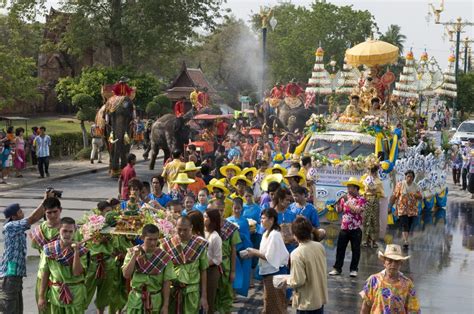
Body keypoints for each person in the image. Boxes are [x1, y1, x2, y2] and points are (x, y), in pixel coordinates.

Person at [0, 193, 51, 313]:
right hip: (9, 277)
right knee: (10, 310)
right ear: (14, 216)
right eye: (20, 212)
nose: (23, 213)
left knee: (17, 310)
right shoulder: (10, 226)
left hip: (15, 277)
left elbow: (34, 218)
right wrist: (45, 201)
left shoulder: (17, 228)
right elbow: (32, 219)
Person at [37, 217, 89, 313]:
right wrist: (41, 297)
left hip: (76, 294)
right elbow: (45, 273)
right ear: (58, 230)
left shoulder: (82, 250)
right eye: (64, 231)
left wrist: (76, 252)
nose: (67, 234)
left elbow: (77, 272)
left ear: (75, 232)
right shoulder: (48, 249)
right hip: (56, 294)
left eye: (70, 231)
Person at [122, 224, 175, 314]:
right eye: (149, 239)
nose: (153, 243)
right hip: (136, 300)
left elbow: (167, 283)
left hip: (155, 301)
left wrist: (165, 306)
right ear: (142, 237)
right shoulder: (132, 252)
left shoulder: (164, 256)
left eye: (155, 239)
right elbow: (126, 275)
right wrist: (134, 256)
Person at [161, 216, 209, 313]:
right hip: (172, 291)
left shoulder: (199, 244)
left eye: (185, 230)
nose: (182, 233)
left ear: (191, 227)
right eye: (179, 229)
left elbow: (203, 271)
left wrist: (204, 296)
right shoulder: (167, 244)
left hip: (192, 291)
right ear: (175, 227)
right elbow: (162, 272)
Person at [246, 208, 289, 314]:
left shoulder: (274, 234)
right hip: (269, 273)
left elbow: (269, 256)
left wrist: (253, 252)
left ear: (271, 220)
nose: (261, 220)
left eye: (263, 218)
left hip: (276, 273)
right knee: (269, 302)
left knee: (276, 305)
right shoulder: (267, 233)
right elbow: (264, 252)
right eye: (261, 218)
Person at [360, 244, 420, 314]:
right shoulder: (374, 280)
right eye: (390, 260)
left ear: (401, 263)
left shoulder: (407, 283)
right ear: (384, 262)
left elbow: (413, 310)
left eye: (396, 261)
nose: (393, 264)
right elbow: (366, 306)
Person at [286, 217, 328, 314]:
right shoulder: (319, 246)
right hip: (319, 298)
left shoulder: (297, 253)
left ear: (295, 235)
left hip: (306, 302)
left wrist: (286, 280)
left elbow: (298, 281)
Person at [30, 197, 63, 314]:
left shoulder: (67, 229)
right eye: (49, 213)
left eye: (55, 212)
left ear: (60, 210)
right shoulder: (39, 230)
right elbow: (40, 252)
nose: (53, 216)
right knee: (43, 307)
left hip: (60, 277)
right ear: (44, 212)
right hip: (42, 275)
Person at [329, 177, 366, 277]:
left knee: (355, 249)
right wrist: (336, 205)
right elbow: (339, 210)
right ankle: (337, 268)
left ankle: (354, 269)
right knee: (340, 249)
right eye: (348, 187)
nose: (348, 189)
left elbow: (357, 210)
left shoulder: (361, 199)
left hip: (355, 228)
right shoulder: (345, 198)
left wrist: (347, 202)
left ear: (356, 188)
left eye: (350, 187)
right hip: (344, 227)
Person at [84, 201, 117, 313]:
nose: (109, 214)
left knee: (104, 295)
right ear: (100, 213)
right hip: (93, 264)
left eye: (111, 211)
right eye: (107, 212)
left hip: (108, 264)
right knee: (85, 293)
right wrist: (96, 239)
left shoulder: (114, 227)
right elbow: (83, 243)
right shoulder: (90, 226)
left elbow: (116, 246)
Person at [215, 199, 242, 314]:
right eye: (217, 211)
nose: (219, 213)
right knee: (213, 295)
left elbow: (233, 251)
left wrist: (233, 272)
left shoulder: (230, 228)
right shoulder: (208, 227)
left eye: (221, 210)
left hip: (225, 264)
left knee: (226, 294)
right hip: (212, 265)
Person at [388, 170, 422, 249]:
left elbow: (420, 197)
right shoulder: (400, 185)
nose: (409, 178)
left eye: (411, 177)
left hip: (412, 210)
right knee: (404, 224)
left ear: (413, 178)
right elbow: (394, 196)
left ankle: (406, 237)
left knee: (409, 225)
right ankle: (405, 241)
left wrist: (415, 195)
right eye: (408, 176)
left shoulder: (416, 186)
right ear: (405, 177)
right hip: (402, 209)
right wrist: (390, 206)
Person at [227, 198, 252, 297]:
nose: (237, 210)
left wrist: (240, 234)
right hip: (231, 249)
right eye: (235, 208)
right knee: (232, 271)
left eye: (239, 208)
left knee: (239, 272)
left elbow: (247, 235)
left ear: (242, 208)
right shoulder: (228, 220)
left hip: (241, 248)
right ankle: (231, 293)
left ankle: (236, 292)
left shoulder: (244, 221)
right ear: (232, 208)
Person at [204, 209, 222, 314]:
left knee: (209, 299)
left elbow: (217, 259)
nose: (204, 219)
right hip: (202, 270)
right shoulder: (202, 232)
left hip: (211, 271)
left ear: (212, 220)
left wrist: (204, 264)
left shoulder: (215, 237)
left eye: (206, 217)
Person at [361, 165, 385, 248]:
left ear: (376, 172)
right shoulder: (365, 180)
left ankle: (374, 241)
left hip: (374, 201)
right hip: (367, 201)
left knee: (374, 221)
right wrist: (364, 194)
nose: (372, 173)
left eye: (373, 171)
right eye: (370, 171)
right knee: (367, 219)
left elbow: (382, 193)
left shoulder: (378, 181)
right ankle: (366, 240)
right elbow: (361, 190)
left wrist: (375, 193)